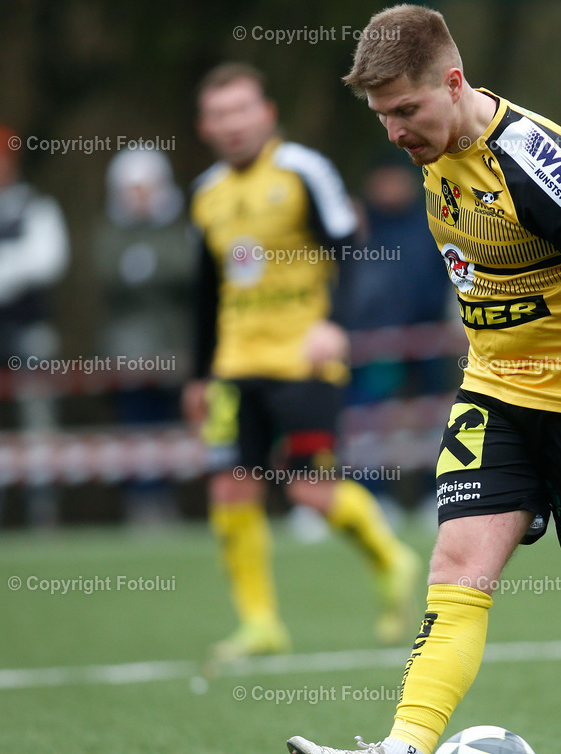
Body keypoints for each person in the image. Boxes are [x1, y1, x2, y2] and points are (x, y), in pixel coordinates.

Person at [287, 6, 561, 754]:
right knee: (457, 567)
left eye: (407, 112)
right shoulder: (431, 147)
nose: (394, 132)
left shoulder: (532, 158)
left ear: (453, 84)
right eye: (381, 116)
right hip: (494, 391)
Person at [184, 63, 420, 660]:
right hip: (235, 366)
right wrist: (198, 373)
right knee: (231, 489)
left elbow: (352, 250)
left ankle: (392, 559)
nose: (232, 123)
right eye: (220, 114)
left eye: (242, 110)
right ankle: (261, 624)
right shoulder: (206, 194)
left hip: (301, 357)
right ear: (204, 126)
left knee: (309, 492)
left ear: (266, 114)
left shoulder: (302, 170)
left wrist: (335, 326)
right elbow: (205, 294)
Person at [339, 153, 455, 518]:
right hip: (373, 346)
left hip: (430, 341)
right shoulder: (354, 225)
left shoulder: (433, 221)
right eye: (382, 180)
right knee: (369, 419)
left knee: (437, 419)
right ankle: (372, 497)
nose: (390, 188)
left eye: (396, 179)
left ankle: (435, 496)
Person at [95, 146, 194, 524]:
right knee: (135, 425)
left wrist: (147, 266)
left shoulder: (176, 225)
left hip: (174, 345)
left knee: (171, 423)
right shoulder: (112, 227)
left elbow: (185, 270)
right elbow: (109, 273)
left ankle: (168, 499)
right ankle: (142, 502)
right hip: (128, 350)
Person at [0, 123, 69, 528]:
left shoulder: (36, 205)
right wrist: (9, 267)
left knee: (38, 417)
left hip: (29, 326)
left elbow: (47, 261)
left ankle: (41, 505)